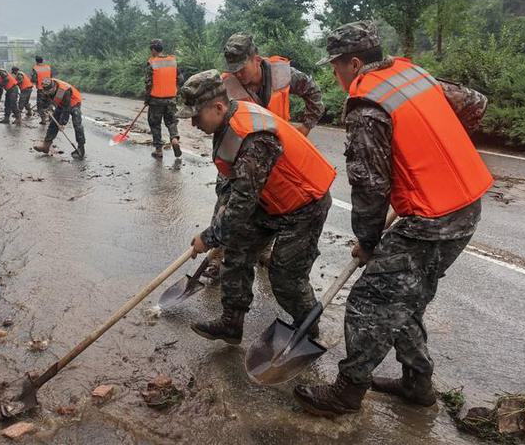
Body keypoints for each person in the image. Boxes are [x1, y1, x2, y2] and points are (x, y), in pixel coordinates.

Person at [293, 21, 493, 417]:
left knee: (370, 301)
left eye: (334, 66)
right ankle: (417, 385)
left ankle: (347, 394)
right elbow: (475, 102)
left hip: (431, 221)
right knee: (406, 298)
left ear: (352, 63)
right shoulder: (413, 75)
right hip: (465, 204)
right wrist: (435, 151)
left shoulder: (368, 106)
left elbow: (369, 187)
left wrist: (367, 242)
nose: (334, 75)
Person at [179, 70, 336, 344]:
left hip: (304, 205)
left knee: (285, 276)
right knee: (237, 251)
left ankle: (307, 329)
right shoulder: (226, 123)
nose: (192, 124)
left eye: (196, 115)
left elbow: (241, 204)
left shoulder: (252, 138)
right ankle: (231, 323)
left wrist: (209, 236)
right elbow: (231, 187)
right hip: (269, 199)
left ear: (218, 107)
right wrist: (219, 232)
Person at [221, 32, 325, 135]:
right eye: (233, 69)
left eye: (242, 69)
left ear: (257, 60)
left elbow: (313, 90)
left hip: (280, 143)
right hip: (246, 147)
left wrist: (306, 126)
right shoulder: (225, 84)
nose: (237, 74)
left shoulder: (280, 73)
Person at [145, 39, 184, 159]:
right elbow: (181, 79)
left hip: (156, 100)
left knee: (155, 124)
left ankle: (158, 150)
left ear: (153, 49)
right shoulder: (172, 61)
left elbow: (148, 83)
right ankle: (174, 139)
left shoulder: (152, 62)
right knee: (171, 121)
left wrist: (147, 99)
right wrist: (175, 91)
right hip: (171, 99)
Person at [33, 77, 86, 159]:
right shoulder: (46, 85)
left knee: (77, 124)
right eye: (46, 91)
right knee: (53, 123)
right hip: (62, 103)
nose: (48, 93)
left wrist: (62, 123)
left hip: (74, 102)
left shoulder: (63, 91)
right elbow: (45, 99)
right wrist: (45, 108)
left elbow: (66, 109)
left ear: (54, 87)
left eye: (50, 91)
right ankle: (46, 146)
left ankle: (81, 148)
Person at [32, 56, 53, 124]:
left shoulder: (35, 68)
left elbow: (34, 79)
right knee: (49, 103)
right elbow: (51, 76)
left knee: (40, 105)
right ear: (42, 60)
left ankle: (43, 119)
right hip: (50, 88)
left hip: (41, 89)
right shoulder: (48, 67)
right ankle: (51, 118)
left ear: (36, 61)